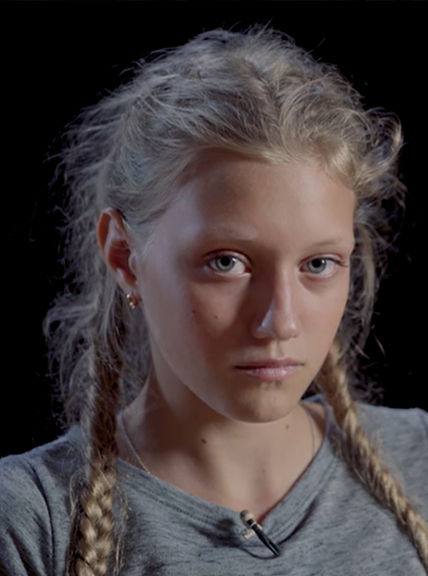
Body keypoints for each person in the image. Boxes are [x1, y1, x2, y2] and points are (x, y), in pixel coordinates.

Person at [0, 25, 427, 576]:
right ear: (126, 257)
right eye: (226, 262)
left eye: (318, 264)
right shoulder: (31, 522)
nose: (280, 322)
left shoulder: (419, 459)